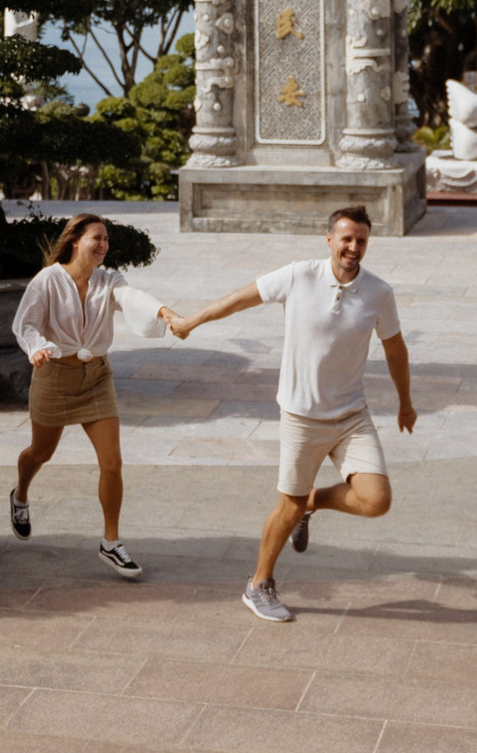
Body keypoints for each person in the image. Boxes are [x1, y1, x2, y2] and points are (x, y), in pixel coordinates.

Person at [169, 205, 415, 623]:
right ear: (330, 240)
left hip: (352, 414)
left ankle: (313, 503)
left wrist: (406, 402)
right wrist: (191, 321)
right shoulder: (299, 275)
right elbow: (237, 300)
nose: (353, 247)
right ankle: (258, 584)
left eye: (361, 241)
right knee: (287, 505)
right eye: (346, 239)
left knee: (376, 500)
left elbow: (395, 349)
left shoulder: (379, 293)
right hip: (302, 416)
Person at [8, 211, 175, 578]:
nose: (103, 245)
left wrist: (162, 311)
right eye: (96, 238)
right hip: (53, 375)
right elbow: (26, 322)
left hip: (97, 376)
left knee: (112, 461)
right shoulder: (48, 280)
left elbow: (132, 297)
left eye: (106, 240)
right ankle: (20, 495)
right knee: (40, 452)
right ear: (74, 241)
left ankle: (111, 543)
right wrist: (36, 347)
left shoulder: (108, 279)